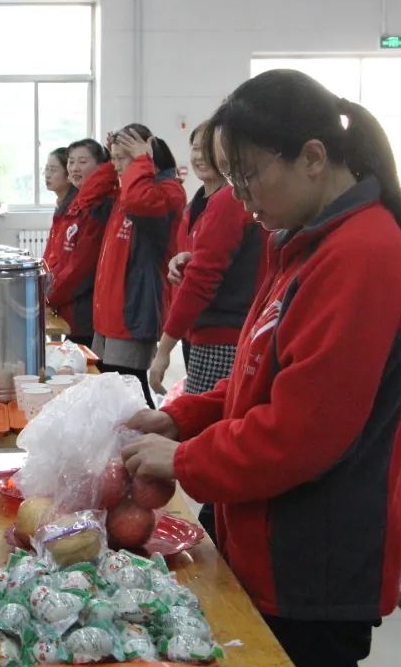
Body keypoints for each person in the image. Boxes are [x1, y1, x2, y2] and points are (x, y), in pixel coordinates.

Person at [121, 69, 401, 667]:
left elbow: (300, 433)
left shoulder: (361, 256)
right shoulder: (303, 242)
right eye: (230, 179)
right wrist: (183, 418)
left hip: (312, 565)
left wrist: (185, 460)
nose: (240, 197)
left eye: (248, 175)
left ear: (312, 158)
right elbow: (260, 374)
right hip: (269, 539)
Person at [145, 121, 267, 544]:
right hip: (204, 333)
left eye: (209, 148)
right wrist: (182, 260)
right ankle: (215, 521)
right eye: (194, 147)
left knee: (218, 435)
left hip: (224, 334)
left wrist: (163, 348)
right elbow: (199, 266)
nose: (199, 156)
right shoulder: (203, 200)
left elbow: (204, 279)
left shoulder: (230, 201)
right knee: (208, 424)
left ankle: (216, 525)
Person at [84, 125, 186, 405]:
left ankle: (150, 432)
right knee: (111, 392)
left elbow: (141, 202)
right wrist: (112, 162)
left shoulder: (167, 191)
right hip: (109, 313)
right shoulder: (127, 191)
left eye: (122, 158)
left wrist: (142, 160)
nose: (117, 165)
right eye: (113, 158)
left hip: (133, 311)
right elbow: (87, 197)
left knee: (130, 395)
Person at [44, 139, 110, 346]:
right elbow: (59, 257)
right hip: (72, 304)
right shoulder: (78, 203)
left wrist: (49, 295)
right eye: (71, 162)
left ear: (100, 166)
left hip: (87, 308)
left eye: (82, 162)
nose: (74, 168)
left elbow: (81, 267)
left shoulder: (98, 204)